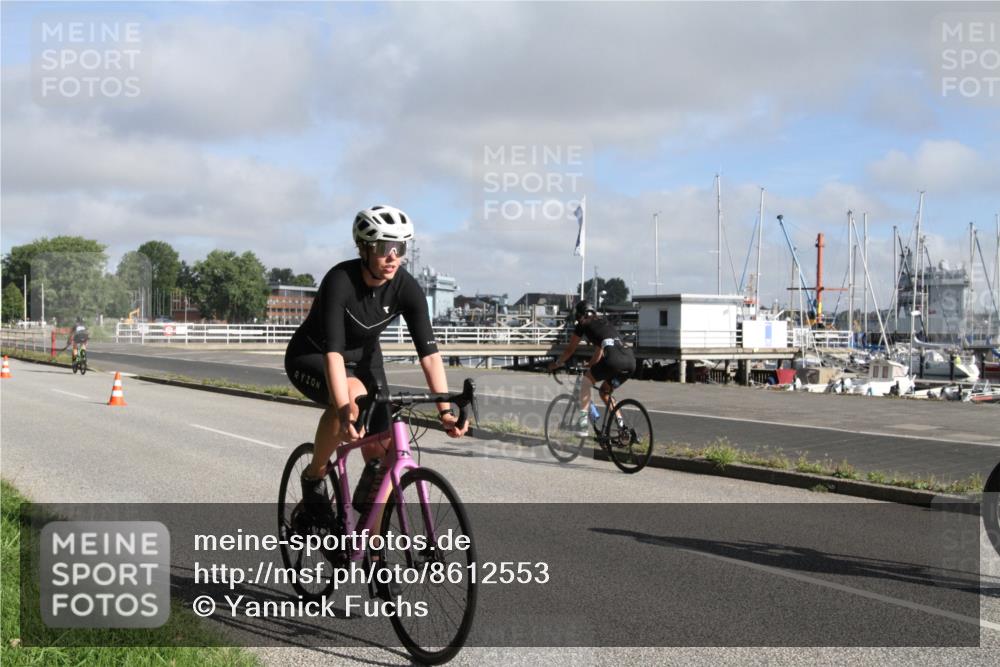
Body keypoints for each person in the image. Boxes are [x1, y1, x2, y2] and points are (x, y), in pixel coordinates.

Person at [284, 205, 468, 520]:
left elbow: (430, 355)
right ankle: (314, 475)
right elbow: (334, 355)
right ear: (364, 248)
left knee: (384, 450)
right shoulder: (340, 280)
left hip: (367, 359)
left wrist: (446, 412)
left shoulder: (406, 287)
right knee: (353, 401)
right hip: (313, 355)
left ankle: (371, 541)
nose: (393, 256)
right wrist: (344, 412)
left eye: (401, 248)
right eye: (385, 247)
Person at [548, 301, 636, 435]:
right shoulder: (603, 321)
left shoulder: (582, 324)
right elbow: (599, 351)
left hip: (613, 361)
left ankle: (583, 425)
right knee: (604, 392)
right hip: (630, 361)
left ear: (579, 315)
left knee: (585, 383)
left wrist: (556, 364)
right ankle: (622, 428)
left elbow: (570, 350)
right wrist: (590, 365)